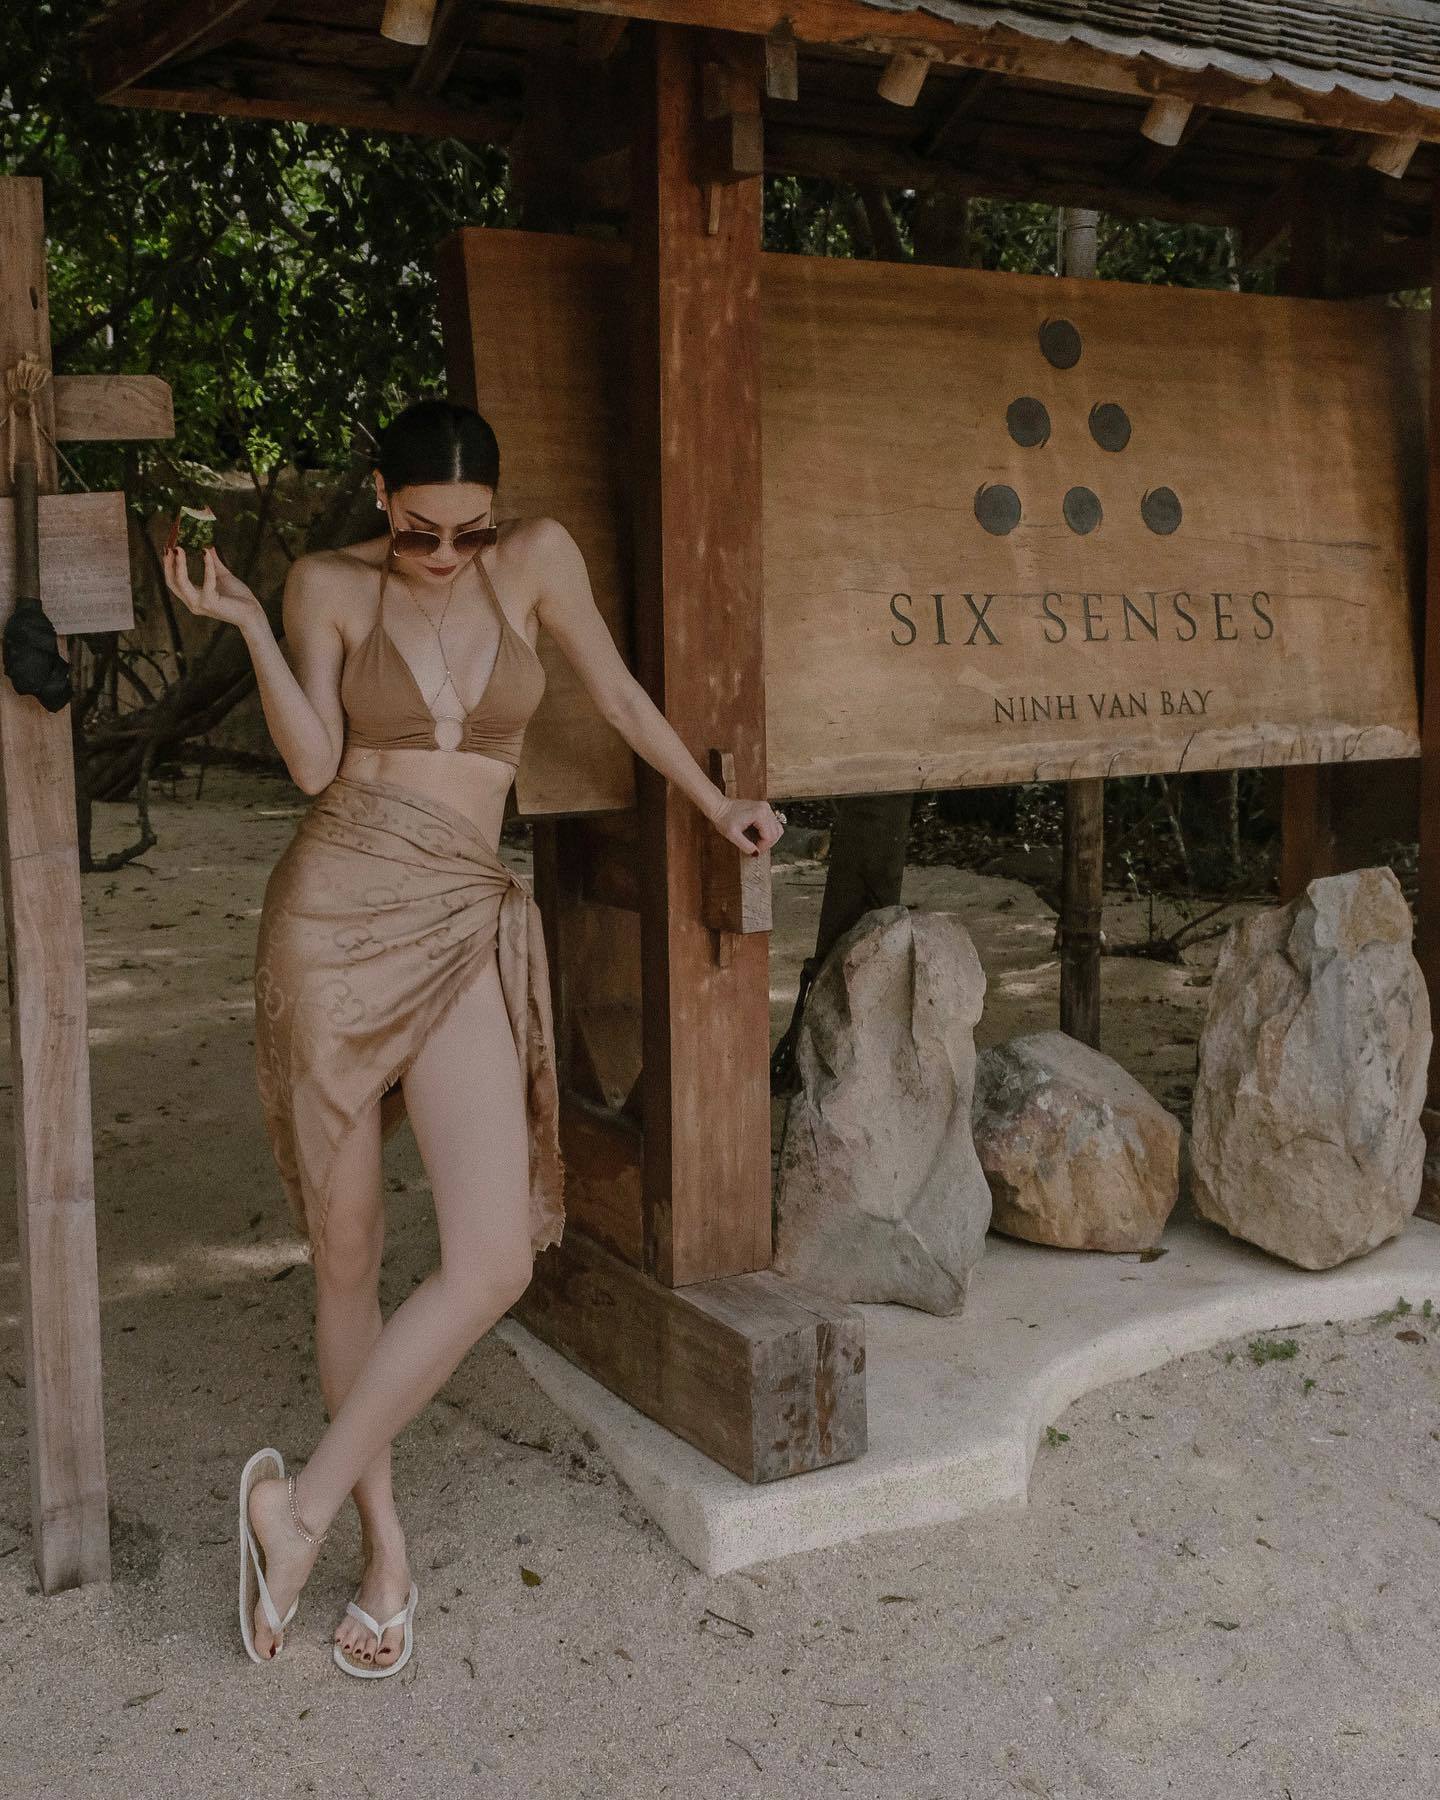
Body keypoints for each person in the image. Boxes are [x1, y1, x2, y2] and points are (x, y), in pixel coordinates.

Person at [162, 397, 785, 1676]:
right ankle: (378, 1550)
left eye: (469, 533)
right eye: (419, 533)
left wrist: (715, 804)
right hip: (334, 915)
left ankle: (294, 1511)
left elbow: (618, 695)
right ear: (380, 498)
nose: (445, 556)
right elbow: (313, 764)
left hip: (458, 908)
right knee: (347, 1254)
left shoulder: (539, 561)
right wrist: (249, 628)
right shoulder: (326, 585)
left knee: (492, 1257)